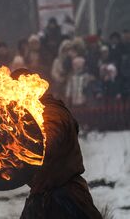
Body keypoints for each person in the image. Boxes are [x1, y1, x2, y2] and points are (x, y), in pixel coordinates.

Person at [13, 69, 102, 219]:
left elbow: (48, 142)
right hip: (42, 194)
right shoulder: (30, 115)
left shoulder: (51, 111)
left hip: (65, 196)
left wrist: (23, 149)